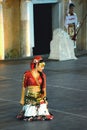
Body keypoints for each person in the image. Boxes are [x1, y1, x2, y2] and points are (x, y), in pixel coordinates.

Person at [16, 56, 53, 121]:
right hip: (30, 99)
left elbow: (44, 89)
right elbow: (24, 87)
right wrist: (22, 99)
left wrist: (45, 99)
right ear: (36, 65)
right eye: (41, 65)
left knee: (43, 112)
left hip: (39, 98)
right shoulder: (27, 74)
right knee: (30, 114)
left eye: (43, 66)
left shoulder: (43, 75)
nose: (43, 68)